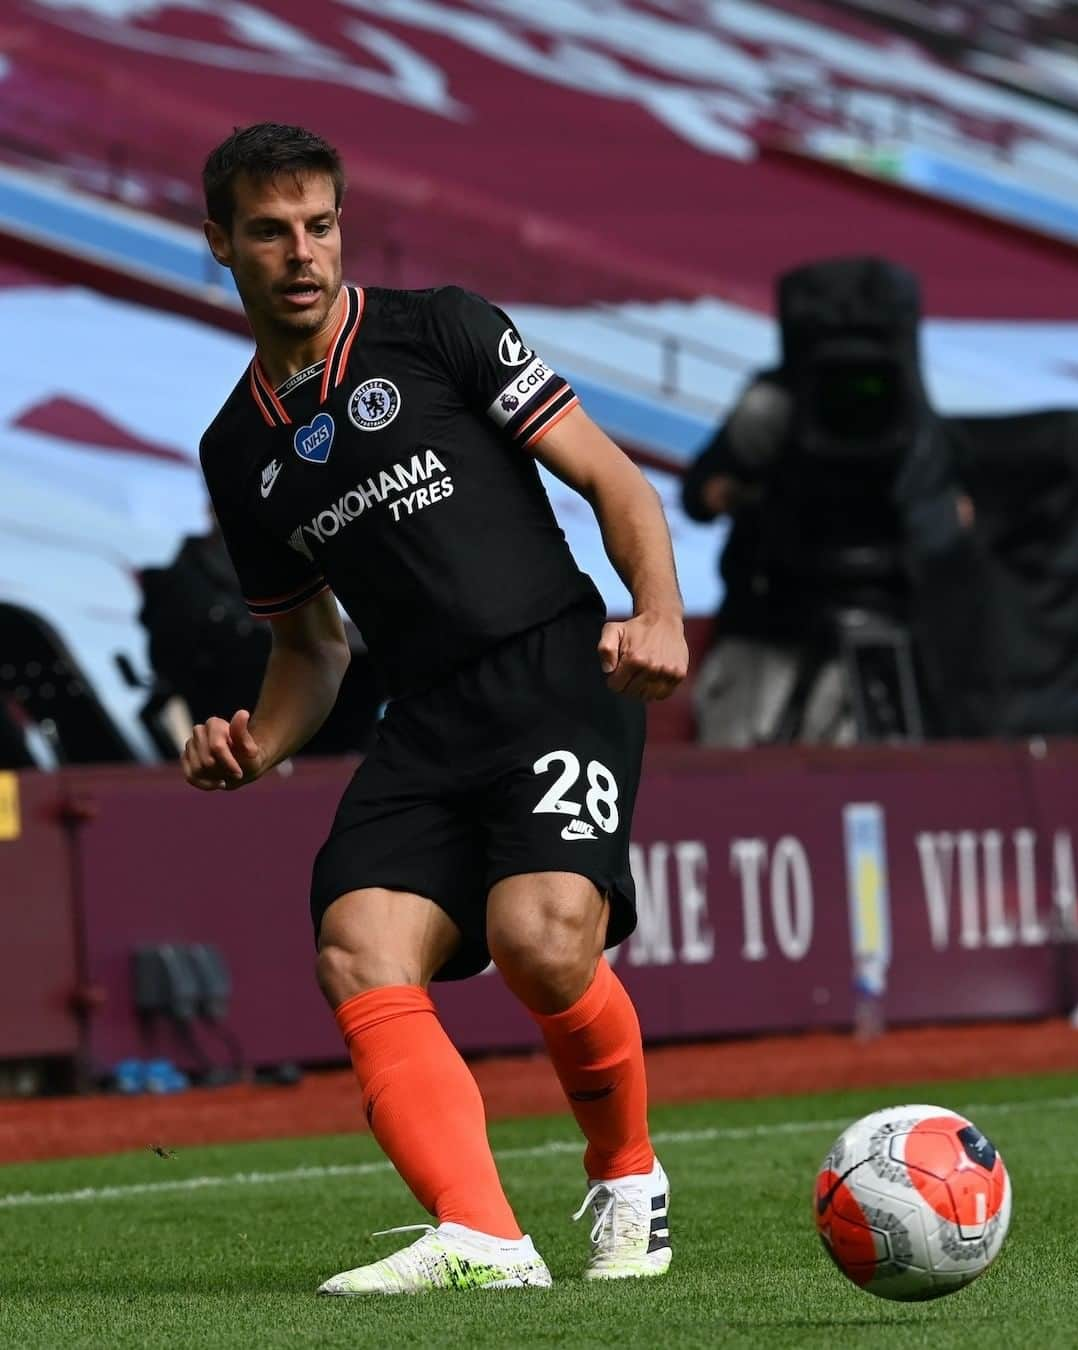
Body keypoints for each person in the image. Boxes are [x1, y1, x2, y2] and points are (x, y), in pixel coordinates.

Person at [182, 123, 688, 1296]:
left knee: (540, 937)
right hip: (424, 717)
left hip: (557, 670)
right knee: (358, 942)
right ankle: (486, 1238)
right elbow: (311, 648)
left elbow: (617, 483)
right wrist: (254, 745)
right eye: (269, 231)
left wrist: (653, 611)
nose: (301, 253)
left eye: (319, 224)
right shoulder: (235, 447)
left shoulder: (443, 326)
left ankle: (627, 1171)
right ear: (220, 244)